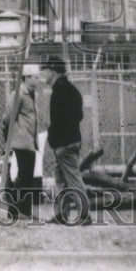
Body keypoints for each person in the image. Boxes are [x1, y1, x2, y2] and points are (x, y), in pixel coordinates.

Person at [43, 58, 91, 225]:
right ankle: (62, 214)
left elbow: (57, 121)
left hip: (64, 144)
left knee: (73, 178)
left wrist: (54, 138)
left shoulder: (58, 92)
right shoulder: (72, 90)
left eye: (46, 70)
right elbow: (79, 116)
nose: (44, 73)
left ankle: (85, 214)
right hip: (72, 140)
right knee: (61, 178)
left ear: (54, 72)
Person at [1, 73, 39, 218]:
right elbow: (8, 117)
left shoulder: (31, 94)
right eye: (35, 76)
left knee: (27, 177)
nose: (38, 79)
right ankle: (15, 210)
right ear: (27, 77)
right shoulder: (19, 94)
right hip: (19, 142)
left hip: (29, 142)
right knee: (21, 177)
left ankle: (25, 210)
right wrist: (8, 141)